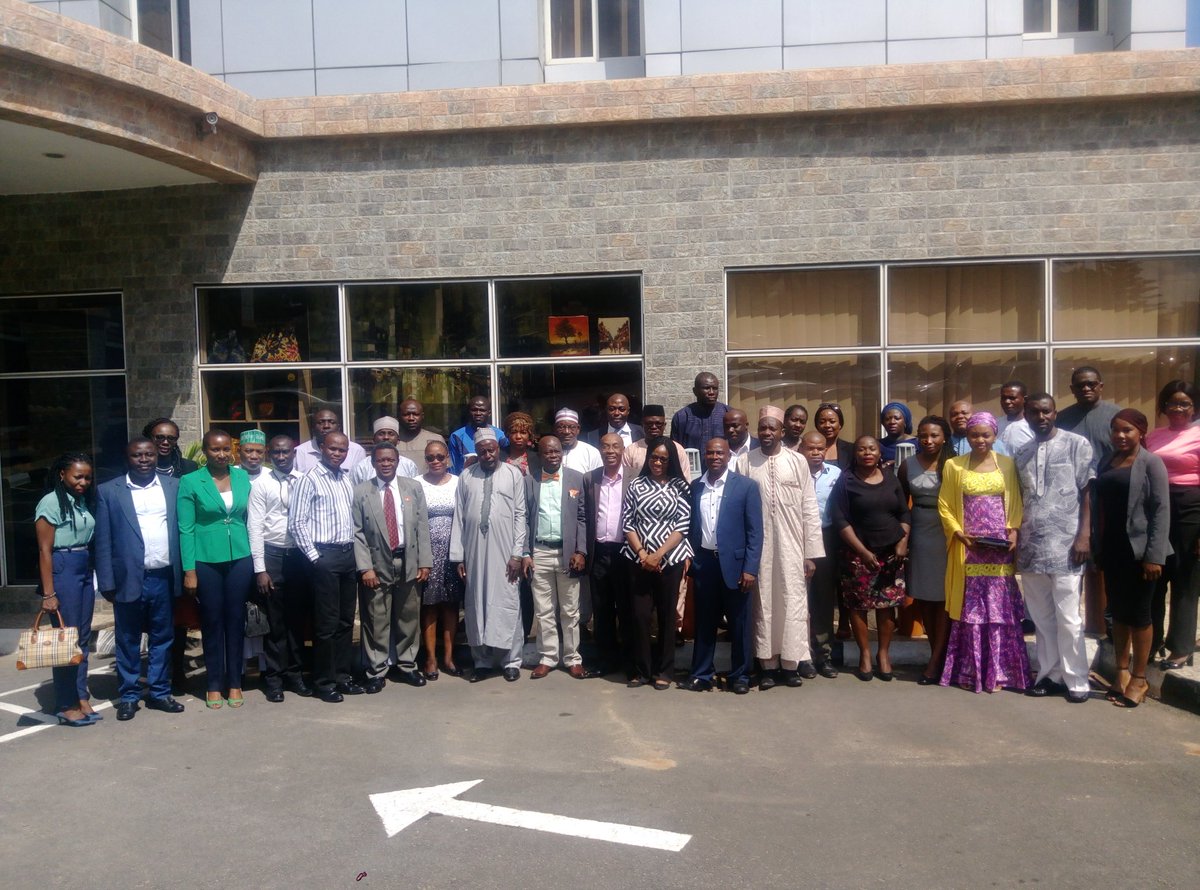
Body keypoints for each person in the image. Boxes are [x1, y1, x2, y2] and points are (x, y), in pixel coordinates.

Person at [937, 412, 1030, 694]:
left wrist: (1013, 531)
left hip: (999, 548)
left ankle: (1001, 673)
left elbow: (1015, 500)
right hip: (969, 547)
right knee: (972, 609)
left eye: (985, 435)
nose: (980, 440)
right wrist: (958, 534)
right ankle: (972, 673)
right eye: (974, 435)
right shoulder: (954, 466)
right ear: (967, 436)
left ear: (995, 436)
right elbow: (944, 504)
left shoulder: (1007, 464)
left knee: (1000, 608)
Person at [93, 439, 185, 721]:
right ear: (128, 458)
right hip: (128, 578)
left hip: (163, 576)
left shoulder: (174, 486)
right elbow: (103, 540)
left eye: (149, 454)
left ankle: (159, 692)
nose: (144, 459)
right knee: (127, 639)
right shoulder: (109, 491)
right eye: (137, 455)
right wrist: (106, 582)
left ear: (157, 456)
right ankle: (129, 696)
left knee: (163, 638)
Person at [1015, 394, 1094, 703]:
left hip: (1067, 546)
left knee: (1069, 617)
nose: (1041, 417)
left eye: (1046, 411)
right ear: (1026, 416)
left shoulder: (1076, 444)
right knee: (1042, 618)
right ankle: (1050, 675)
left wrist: (1084, 535)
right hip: (1031, 548)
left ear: (1055, 413)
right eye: (1034, 412)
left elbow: (1087, 491)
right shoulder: (1021, 452)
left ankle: (1077, 680)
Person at [737, 407, 824, 687]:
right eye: (762, 428)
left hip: (792, 545)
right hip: (758, 547)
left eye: (772, 428)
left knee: (792, 600)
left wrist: (811, 553)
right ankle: (767, 665)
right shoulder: (745, 461)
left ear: (782, 432)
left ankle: (790, 664)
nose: (766, 433)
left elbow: (809, 507)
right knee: (763, 602)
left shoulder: (797, 461)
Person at [1094, 409, 1170, 708]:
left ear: (1141, 432)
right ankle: (1121, 673)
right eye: (1116, 430)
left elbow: (1161, 510)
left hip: (1141, 553)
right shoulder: (1107, 460)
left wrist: (1154, 555)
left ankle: (1140, 678)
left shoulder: (1151, 463)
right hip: (1112, 549)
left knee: (1139, 615)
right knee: (1118, 613)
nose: (1120, 435)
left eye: (1127, 430)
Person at [178, 429, 254, 710]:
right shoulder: (190, 481)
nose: (221, 455)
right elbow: (186, 529)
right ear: (205, 451)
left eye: (225, 449)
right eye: (215, 449)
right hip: (206, 560)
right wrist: (189, 570)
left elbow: (249, 517)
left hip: (240, 558)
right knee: (211, 622)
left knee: (235, 621)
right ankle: (213, 683)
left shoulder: (242, 477)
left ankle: (234, 681)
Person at [681, 438, 762, 694]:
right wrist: (691, 558)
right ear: (704, 456)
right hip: (705, 563)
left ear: (728, 456)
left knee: (739, 624)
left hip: (736, 567)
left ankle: (740, 676)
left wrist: (750, 568)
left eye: (720, 453)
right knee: (705, 623)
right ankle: (701, 674)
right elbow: (691, 526)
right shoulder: (696, 486)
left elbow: (755, 532)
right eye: (710, 453)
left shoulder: (746, 486)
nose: (715, 457)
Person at [352, 443, 433, 693]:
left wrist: (425, 562)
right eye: (380, 460)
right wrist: (365, 568)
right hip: (376, 563)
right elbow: (357, 532)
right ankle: (376, 670)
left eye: (390, 460)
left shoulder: (413, 487)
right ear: (373, 463)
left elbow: (422, 526)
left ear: (397, 462)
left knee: (408, 617)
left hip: (408, 560)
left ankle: (408, 665)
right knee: (376, 618)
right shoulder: (362, 491)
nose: (386, 464)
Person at [290, 431, 363, 703]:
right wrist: (315, 558)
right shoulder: (309, 479)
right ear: (322, 448)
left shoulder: (346, 478)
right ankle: (324, 682)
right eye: (332, 449)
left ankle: (343, 677)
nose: (337, 454)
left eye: (342, 450)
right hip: (324, 557)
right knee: (326, 624)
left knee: (345, 621)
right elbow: (297, 523)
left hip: (347, 555)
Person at [450, 428, 528, 682]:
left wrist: (517, 554)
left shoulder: (513, 474)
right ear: (477, 451)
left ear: (498, 449)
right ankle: (481, 661)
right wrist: (458, 557)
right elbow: (459, 517)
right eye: (482, 451)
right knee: (476, 604)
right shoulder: (466, 476)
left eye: (491, 450)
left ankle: (511, 661)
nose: (488, 455)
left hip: (506, 552)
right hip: (474, 551)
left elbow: (520, 515)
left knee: (508, 602)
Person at [831, 435, 910, 682]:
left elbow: (904, 513)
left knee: (887, 608)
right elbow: (840, 520)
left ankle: (883, 654)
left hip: (890, 553)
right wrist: (863, 552)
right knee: (858, 606)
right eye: (861, 449)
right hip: (858, 554)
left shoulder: (891, 478)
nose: (867, 453)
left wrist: (903, 541)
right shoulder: (846, 481)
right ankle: (865, 654)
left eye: (872, 449)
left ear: (879, 453)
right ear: (855, 454)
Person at [622, 436, 693, 689]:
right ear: (648, 457)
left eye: (664, 459)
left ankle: (665, 670)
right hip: (638, 560)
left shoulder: (680, 487)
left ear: (671, 460)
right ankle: (642, 670)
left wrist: (658, 554)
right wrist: (644, 555)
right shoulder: (636, 485)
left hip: (670, 560)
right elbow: (628, 523)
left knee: (666, 615)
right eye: (654, 457)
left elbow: (683, 525)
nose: (658, 463)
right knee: (640, 616)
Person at [246, 434, 313, 702]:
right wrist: (260, 569)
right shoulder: (261, 484)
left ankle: (295, 675)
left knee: (296, 621)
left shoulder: (305, 481)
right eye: (276, 453)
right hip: (272, 555)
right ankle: (274, 679)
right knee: (275, 623)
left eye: (286, 452)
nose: (281, 457)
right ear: (269, 455)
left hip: (299, 557)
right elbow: (254, 527)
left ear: (294, 453)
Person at [34, 452, 98, 726]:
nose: (83, 482)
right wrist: (49, 594)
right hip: (63, 567)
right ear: (62, 475)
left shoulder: (80, 501)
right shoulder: (51, 502)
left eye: (87, 478)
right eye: (78, 477)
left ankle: (80, 695)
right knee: (65, 639)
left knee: (81, 637)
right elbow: (44, 550)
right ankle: (66, 703)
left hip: (83, 566)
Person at [523, 436, 590, 679]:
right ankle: (548, 657)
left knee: (570, 610)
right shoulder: (529, 480)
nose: (553, 456)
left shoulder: (576, 478)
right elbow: (524, 519)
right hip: (539, 552)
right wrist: (525, 552)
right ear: (539, 455)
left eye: (556, 451)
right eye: (547, 452)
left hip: (568, 553)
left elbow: (582, 517)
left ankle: (572, 658)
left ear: (562, 452)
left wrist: (581, 550)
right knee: (544, 610)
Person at [1146, 380, 1200, 671]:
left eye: (1185, 404)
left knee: (1185, 580)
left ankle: (1180, 648)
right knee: (1154, 579)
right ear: (1163, 406)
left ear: (1194, 407)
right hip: (1157, 509)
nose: (1178, 408)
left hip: (1189, 510)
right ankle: (1151, 642)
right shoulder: (1154, 436)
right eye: (1172, 403)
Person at [898, 416, 953, 684]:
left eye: (934, 435)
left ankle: (936, 662)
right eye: (923, 435)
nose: (928, 440)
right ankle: (937, 655)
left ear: (945, 438)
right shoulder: (907, 465)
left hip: (947, 532)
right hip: (920, 531)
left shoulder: (954, 464)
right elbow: (900, 503)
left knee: (943, 598)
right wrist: (903, 539)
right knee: (925, 597)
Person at [584, 433, 632, 677]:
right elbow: (584, 516)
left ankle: (630, 660)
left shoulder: (634, 477)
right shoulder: (590, 478)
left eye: (615, 446)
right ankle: (606, 660)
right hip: (599, 552)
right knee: (602, 609)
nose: (610, 451)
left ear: (623, 450)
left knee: (627, 608)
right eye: (605, 446)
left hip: (626, 553)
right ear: (600, 450)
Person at [417, 440, 466, 678]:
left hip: (453, 553)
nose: (435, 461)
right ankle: (430, 658)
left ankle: (449, 657)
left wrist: (462, 555)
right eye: (430, 457)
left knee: (451, 605)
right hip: (427, 555)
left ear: (448, 458)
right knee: (429, 607)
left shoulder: (459, 482)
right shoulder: (417, 484)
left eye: (440, 457)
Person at [800, 430, 842, 678]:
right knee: (798, 599)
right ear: (801, 449)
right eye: (811, 448)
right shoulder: (794, 472)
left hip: (826, 538)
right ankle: (801, 655)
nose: (816, 453)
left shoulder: (836, 475)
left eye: (820, 448)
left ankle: (823, 654)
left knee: (823, 599)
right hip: (797, 537)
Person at [1057, 366, 1121, 469]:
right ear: (1072, 389)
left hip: (1108, 476)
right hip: (1073, 477)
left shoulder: (1119, 416)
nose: (1086, 389)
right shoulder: (1061, 419)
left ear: (1101, 386)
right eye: (1080, 385)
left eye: (1091, 384)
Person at [294, 407, 367, 473]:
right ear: (313, 428)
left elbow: (361, 481)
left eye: (332, 422)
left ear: (339, 427)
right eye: (320, 422)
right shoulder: (299, 452)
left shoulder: (356, 451)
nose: (326, 426)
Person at [351, 416, 419, 484]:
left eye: (391, 434)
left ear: (398, 440)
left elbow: (415, 488)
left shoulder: (408, 465)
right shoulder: (361, 467)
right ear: (373, 440)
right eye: (381, 434)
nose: (386, 437)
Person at [671, 372, 729, 451]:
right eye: (707, 388)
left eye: (715, 388)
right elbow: (675, 450)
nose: (711, 392)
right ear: (695, 391)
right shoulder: (682, 417)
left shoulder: (728, 414)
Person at [449, 396, 507, 475]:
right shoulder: (457, 436)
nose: (478, 413)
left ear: (489, 413)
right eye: (474, 410)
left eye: (482, 410)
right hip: (467, 480)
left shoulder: (500, 435)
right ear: (469, 412)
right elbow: (453, 468)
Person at [625, 405, 689, 475]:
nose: (654, 427)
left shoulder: (677, 449)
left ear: (664, 425)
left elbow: (685, 478)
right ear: (642, 425)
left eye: (658, 424)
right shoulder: (631, 451)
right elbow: (626, 478)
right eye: (649, 423)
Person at [395, 398, 446, 468]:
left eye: (416, 414)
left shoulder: (436, 439)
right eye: (406, 414)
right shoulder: (391, 440)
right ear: (398, 416)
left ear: (422, 416)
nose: (411, 418)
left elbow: (445, 468)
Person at [555, 408, 602, 474]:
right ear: (555, 429)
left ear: (578, 429)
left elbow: (598, 478)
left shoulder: (591, 453)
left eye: (572, 427)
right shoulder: (548, 453)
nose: (566, 432)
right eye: (561, 427)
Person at [814, 402, 854, 469]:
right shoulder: (808, 449)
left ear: (840, 424)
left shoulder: (851, 449)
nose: (827, 425)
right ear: (817, 425)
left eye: (832, 421)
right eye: (822, 422)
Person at [998, 381, 1034, 453]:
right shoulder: (994, 425)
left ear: (1025, 400)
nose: (1007, 401)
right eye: (1004, 398)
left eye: (1012, 398)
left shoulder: (1033, 426)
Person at [502, 411, 538, 477]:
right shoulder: (499, 457)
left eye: (523, 432)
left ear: (529, 435)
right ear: (507, 434)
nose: (518, 437)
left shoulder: (537, 458)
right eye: (513, 432)